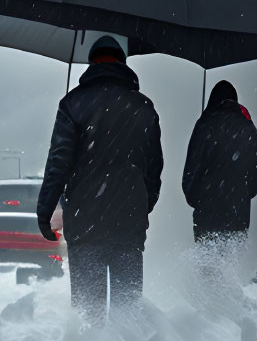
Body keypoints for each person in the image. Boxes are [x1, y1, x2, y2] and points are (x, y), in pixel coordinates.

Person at [36, 35, 163, 321]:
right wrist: (140, 204)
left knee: (87, 315)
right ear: (123, 64)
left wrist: (45, 212)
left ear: (92, 63)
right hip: (128, 225)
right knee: (127, 313)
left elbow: (59, 162)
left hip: (85, 222)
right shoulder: (144, 107)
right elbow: (154, 170)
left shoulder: (72, 104)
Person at [183, 80, 257, 280]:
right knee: (229, 271)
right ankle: (229, 308)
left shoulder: (204, 125)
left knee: (207, 269)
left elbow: (191, 170)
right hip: (238, 214)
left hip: (207, 211)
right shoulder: (249, 129)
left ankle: (209, 308)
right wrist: (242, 196)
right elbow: (256, 176)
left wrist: (195, 199)